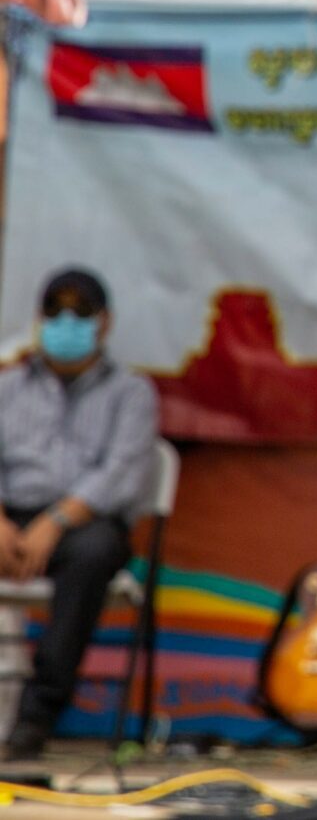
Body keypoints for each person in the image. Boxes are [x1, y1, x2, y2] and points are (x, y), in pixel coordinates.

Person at [2, 266, 161, 759]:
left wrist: (56, 522)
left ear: (105, 323)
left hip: (85, 525)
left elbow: (122, 474)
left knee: (95, 553)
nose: (66, 323)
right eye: (55, 312)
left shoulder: (131, 392)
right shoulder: (7, 388)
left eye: (80, 313)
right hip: (9, 520)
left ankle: (37, 715)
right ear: (38, 319)